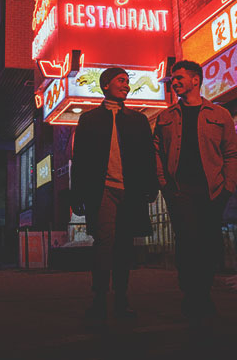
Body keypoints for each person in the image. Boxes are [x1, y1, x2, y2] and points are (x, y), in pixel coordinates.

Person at [153, 60, 237, 327]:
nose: (174, 82)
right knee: (188, 243)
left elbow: (231, 154)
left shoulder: (220, 114)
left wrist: (228, 187)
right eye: (173, 79)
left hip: (213, 191)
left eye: (179, 78)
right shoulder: (166, 117)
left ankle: (200, 295)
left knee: (209, 245)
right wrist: (164, 185)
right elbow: (156, 153)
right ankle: (194, 296)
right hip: (180, 192)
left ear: (195, 80)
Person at [70, 67, 157, 321]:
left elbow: (147, 158)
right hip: (103, 191)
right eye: (121, 80)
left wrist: (150, 187)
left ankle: (121, 299)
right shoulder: (89, 119)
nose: (126, 86)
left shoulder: (138, 120)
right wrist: (77, 196)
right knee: (104, 244)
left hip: (129, 192)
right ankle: (99, 299)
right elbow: (81, 160)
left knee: (124, 247)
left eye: (128, 82)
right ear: (105, 84)